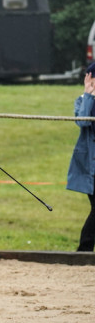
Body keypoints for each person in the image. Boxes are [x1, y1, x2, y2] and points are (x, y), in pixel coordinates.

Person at [67, 62, 95, 252]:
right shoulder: (82, 100)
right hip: (90, 164)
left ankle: (84, 248)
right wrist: (88, 95)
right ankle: (84, 249)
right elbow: (82, 121)